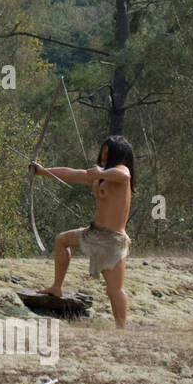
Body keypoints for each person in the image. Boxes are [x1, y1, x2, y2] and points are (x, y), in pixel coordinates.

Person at [28, 135, 135, 328]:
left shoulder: (120, 171)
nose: (103, 159)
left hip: (112, 241)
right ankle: (56, 287)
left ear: (116, 156)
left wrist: (101, 171)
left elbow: (124, 175)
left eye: (107, 155)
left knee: (114, 289)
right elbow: (72, 173)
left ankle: (121, 329)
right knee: (61, 240)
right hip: (93, 233)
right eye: (102, 155)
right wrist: (43, 172)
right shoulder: (101, 176)